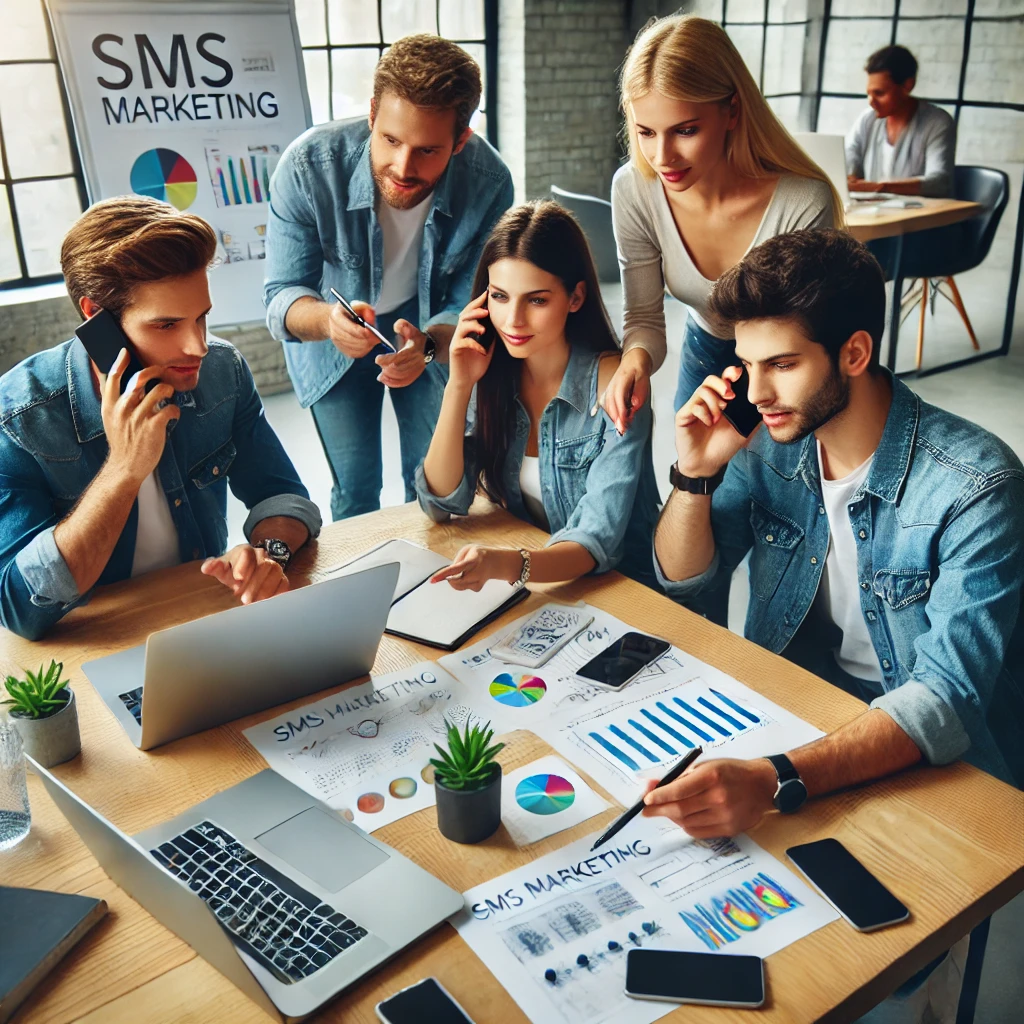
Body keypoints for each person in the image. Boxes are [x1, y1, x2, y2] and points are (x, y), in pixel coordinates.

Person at [647, 228, 1022, 1021]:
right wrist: (695, 474)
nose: (757, 391)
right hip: (807, 709)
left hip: (943, 755)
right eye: (748, 365)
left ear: (854, 352)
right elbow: (685, 589)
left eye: (782, 365)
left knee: (872, 967)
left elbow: (943, 703)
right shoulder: (770, 446)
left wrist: (777, 776)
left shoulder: (977, 485)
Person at [0, 197, 322, 642]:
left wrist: (268, 555)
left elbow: (281, 493)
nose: (198, 347)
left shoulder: (221, 372)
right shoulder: (18, 418)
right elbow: (19, 607)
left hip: (207, 615)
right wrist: (124, 469)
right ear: (97, 318)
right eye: (167, 325)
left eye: (201, 318)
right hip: (99, 642)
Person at [264, 34, 514, 521]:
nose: (402, 167)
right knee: (356, 492)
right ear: (374, 113)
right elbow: (280, 297)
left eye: (427, 151)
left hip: (429, 332)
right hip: (331, 343)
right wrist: (327, 321)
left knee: (431, 490)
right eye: (391, 140)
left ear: (460, 140)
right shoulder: (307, 168)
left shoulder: (491, 183)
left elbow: (474, 298)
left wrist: (428, 345)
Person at [605, 13, 841, 436]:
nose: (663, 158)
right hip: (706, 351)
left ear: (732, 111)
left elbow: (805, 341)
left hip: (790, 368)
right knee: (697, 488)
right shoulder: (635, 189)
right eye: (646, 132)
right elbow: (643, 317)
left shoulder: (802, 203)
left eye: (685, 130)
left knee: (767, 492)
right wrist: (634, 362)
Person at [417, 202, 662, 592]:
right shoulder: (491, 374)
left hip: (622, 589)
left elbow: (594, 540)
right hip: (542, 583)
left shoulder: (616, 385)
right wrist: (459, 384)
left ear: (576, 298)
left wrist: (508, 564)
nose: (513, 320)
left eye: (536, 300)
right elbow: (441, 502)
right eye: (499, 297)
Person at [846, 45, 956, 198]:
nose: (871, 102)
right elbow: (848, 158)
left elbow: (939, 182)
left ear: (907, 85)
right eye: (869, 94)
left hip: (920, 217)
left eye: (880, 93)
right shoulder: (867, 120)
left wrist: (879, 187)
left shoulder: (937, 122)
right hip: (875, 213)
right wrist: (849, 176)